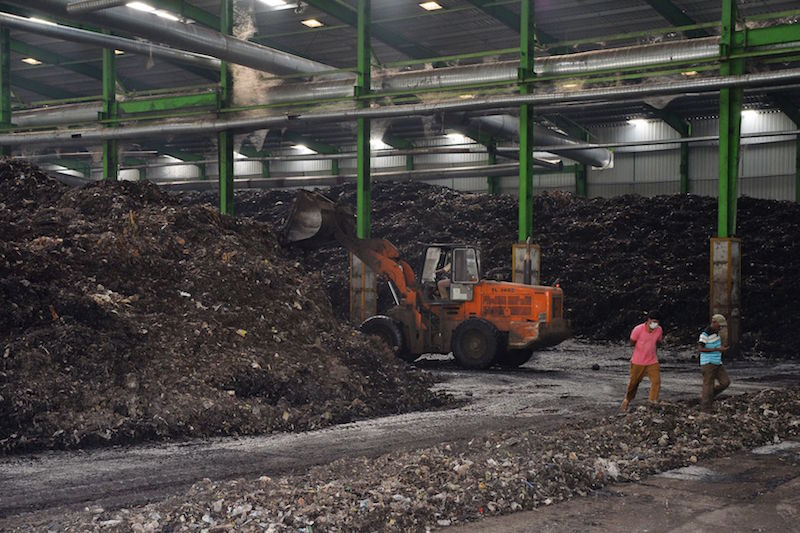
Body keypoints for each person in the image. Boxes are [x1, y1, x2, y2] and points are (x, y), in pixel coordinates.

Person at [619, 310, 663, 412]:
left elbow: (658, 341)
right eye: (653, 321)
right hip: (638, 361)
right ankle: (627, 399)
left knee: (656, 382)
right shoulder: (638, 329)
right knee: (634, 383)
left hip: (652, 361)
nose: (654, 324)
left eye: (657, 322)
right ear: (648, 320)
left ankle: (652, 402)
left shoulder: (659, 330)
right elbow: (632, 342)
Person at [698, 314, 731, 413]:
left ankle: (706, 396)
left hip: (717, 362)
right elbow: (700, 349)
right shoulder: (705, 334)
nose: (720, 327)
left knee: (725, 382)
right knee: (708, 384)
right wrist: (716, 349)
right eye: (719, 325)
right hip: (708, 363)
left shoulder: (717, 333)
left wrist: (721, 349)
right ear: (714, 322)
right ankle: (705, 408)